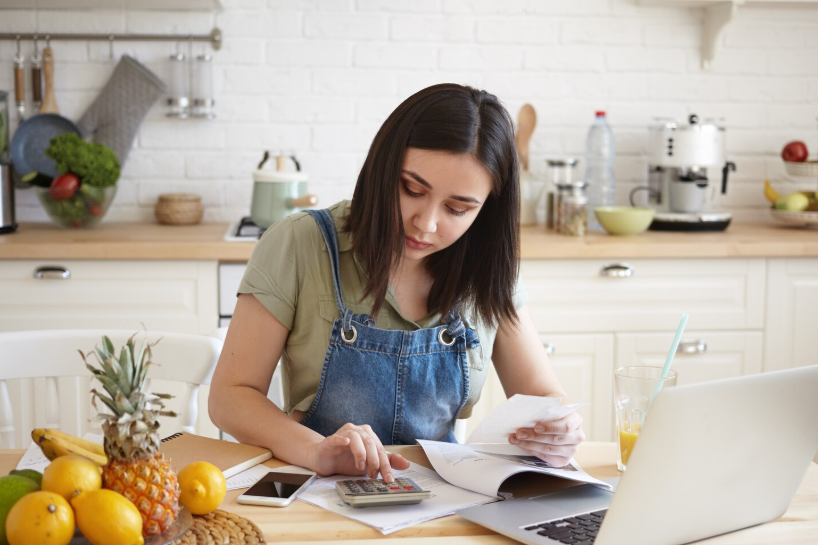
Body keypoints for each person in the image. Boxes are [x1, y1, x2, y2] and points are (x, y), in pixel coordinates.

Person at [209, 83, 584, 484]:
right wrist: (314, 451)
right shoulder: (300, 243)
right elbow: (230, 396)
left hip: (443, 497)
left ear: (487, 210)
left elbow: (541, 394)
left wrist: (558, 427)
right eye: (411, 189)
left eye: (458, 209)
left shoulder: (489, 268)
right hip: (317, 489)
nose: (427, 223)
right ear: (383, 167)